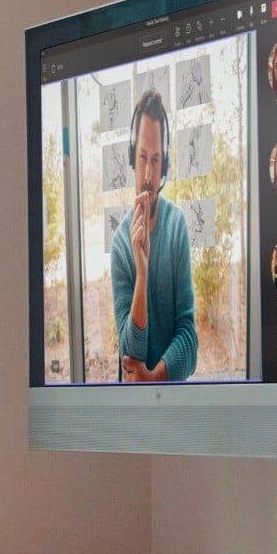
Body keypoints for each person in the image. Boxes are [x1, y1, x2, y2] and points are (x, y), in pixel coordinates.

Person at [109, 88, 197, 382]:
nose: (148, 175)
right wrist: (142, 273)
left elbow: (189, 339)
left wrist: (152, 378)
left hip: (173, 403)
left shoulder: (176, 226)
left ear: (165, 166)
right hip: (133, 413)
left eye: (156, 160)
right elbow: (129, 353)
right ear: (132, 160)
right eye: (143, 158)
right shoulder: (121, 245)